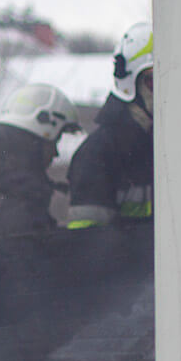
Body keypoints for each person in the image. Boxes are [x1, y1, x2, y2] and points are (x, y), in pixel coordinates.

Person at [66, 21, 154, 229]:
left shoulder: (179, 141)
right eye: (153, 81)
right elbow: (85, 242)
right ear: (131, 84)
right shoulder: (98, 154)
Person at [0, 83, 80, 237]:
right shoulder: (24, 190)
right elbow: (29, 247)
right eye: (54, 142)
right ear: (43, 132)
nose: (56, 153)